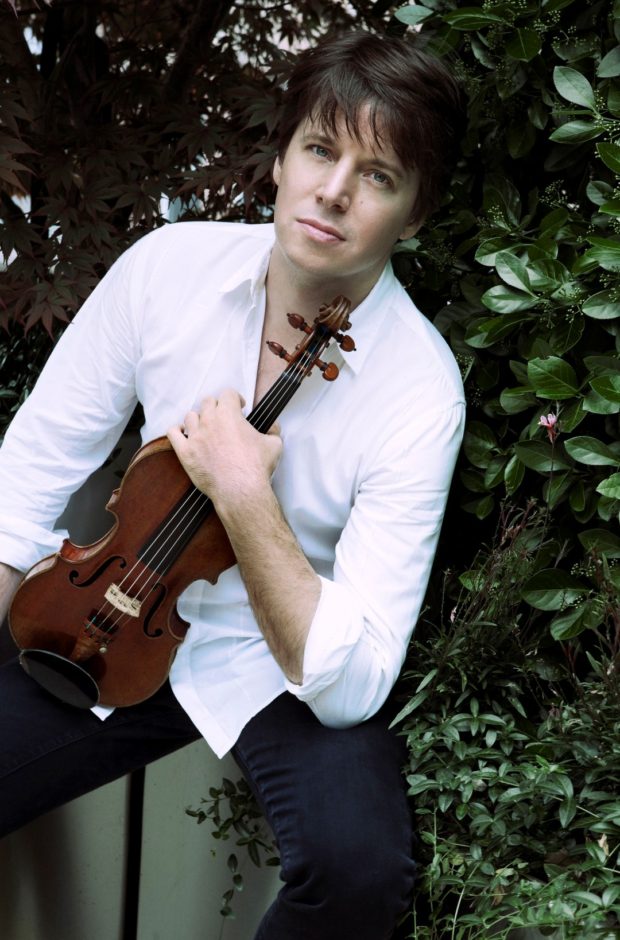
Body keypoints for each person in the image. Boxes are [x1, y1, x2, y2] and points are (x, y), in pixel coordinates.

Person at [0, 29, 466, 939]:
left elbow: (354, 680)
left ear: (414, 216)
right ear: (282, 158)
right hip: (112, 612)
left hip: (276, 658)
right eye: (320, 150)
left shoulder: (420, 390)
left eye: (378, 175)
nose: (334, 191)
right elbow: (30, 473)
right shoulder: (167, 269)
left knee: (360, 870)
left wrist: (246, 495)